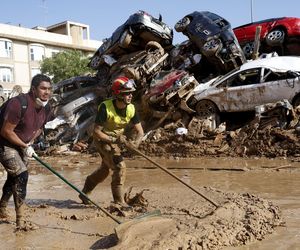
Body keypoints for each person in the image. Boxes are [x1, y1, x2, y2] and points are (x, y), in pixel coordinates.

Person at [79, 76, 144, 206]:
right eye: (126, 94)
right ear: (118, 95)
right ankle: (119, 203)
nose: (130, 96)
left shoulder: (131, 108)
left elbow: (140, 132)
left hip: (117, 140)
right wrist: (114, 139)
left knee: (105, 170)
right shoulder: (105, 108)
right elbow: (96, 132)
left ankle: (85, 192)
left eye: (131, 93)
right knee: (119, 166)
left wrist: (135, 144)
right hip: (103, 140)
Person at [0, 74, 52, 229]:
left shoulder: (46, 107)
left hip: (23, 144)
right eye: (43, 88)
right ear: (34, 89)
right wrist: (25, 146)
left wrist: (31, 142)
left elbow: (39, 128)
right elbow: (6, 131)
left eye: (49, 89)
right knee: (22, 175)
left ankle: (1, 208)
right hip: (4, 143)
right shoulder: (18, 104)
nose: (46, 92)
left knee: (13, 178)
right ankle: (20, 221)